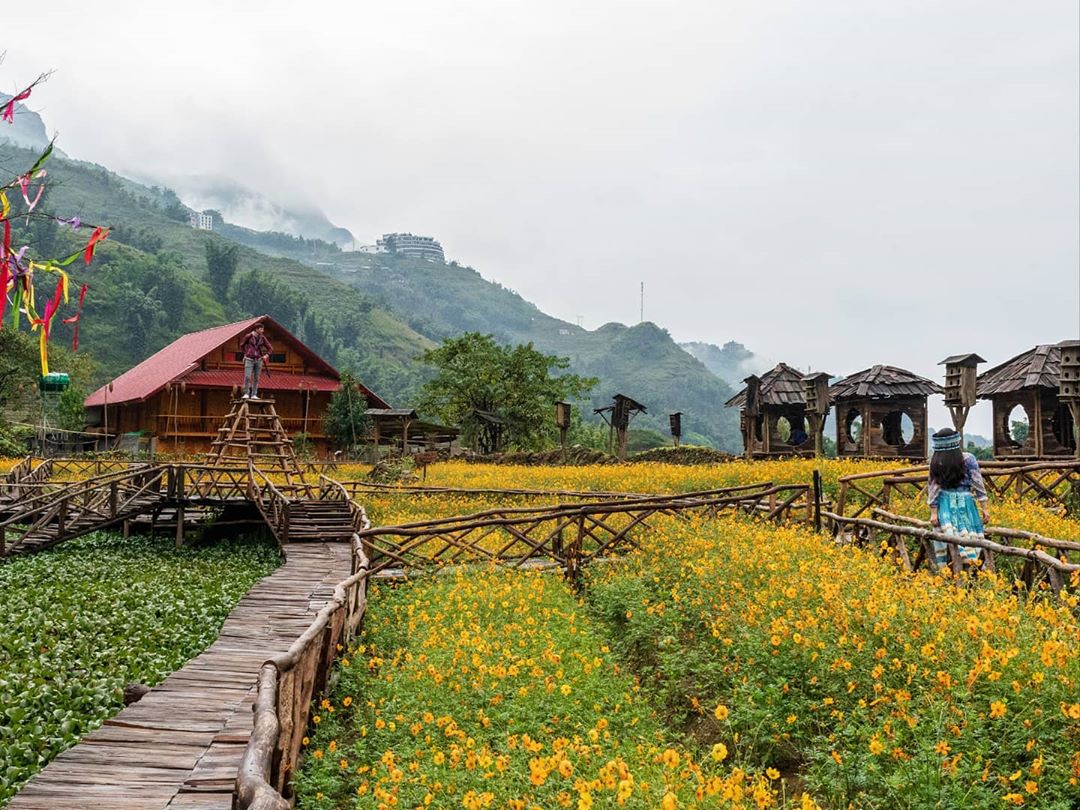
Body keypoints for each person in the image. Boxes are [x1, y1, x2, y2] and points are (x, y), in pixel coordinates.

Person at [927, 427, 989, 569]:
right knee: (968, 536)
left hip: (945, 504)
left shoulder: (936, 461)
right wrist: (984, 509)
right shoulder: (968, 458)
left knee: (950, 536)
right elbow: (978, 484)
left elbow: (933, 488)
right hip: (966, 504)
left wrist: (934, 512)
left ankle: (951, 569)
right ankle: (971, 568)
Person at [240, 323, 272, 399]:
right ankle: (246, 393)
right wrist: (246, 353)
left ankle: (254, 394)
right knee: (247, 376)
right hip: (249, 359)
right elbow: (242, 345)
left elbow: (270, 348)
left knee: (256, 378)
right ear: (256, 329)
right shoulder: (249, 336)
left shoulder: (262, 338)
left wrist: (266, 355)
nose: (262, 331)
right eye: (261, 329)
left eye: (263, 329)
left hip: (259, 359)